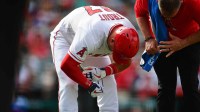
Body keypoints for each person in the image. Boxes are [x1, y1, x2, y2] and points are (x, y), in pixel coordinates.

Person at [50, 6, 139, 112]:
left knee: (108, 81)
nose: (118, 56)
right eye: (117, 52)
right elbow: (67, 65)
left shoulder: (130, 31)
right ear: (112, 41)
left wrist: (103, 72)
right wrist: (89, 85)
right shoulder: (92, 33)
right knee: (69, 83)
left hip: (91, 42)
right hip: (66, 38)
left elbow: (126, 62)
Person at [134, 0, 200, 112]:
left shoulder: (194, 3)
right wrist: (148, 38)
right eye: (164, 16)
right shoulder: (147, 1)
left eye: (172, 16)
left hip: (188, 42)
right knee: (165, 88)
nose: (168, 20)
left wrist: (182, 43)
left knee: (190, 86)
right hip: (161, 42)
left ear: (181, 2)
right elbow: (139, 13)